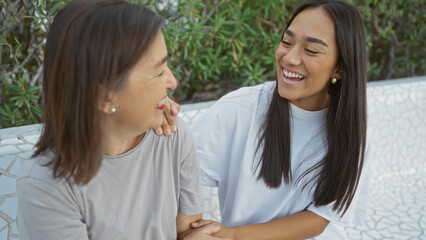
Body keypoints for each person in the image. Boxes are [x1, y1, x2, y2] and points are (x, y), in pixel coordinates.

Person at [16, 0, 230, 239]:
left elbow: (188, 233)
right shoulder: (46, 185)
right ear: (105, 97)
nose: (172, 82)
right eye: (158, 72)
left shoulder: (172, 136)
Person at [169, 0, 371, 239]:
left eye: (311, 50)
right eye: (286, 42)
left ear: (340, 68)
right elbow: (176, 174)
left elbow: (320, 217)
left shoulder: (349, 128)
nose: (290, 58)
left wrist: (233, 236)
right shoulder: (240, 110)